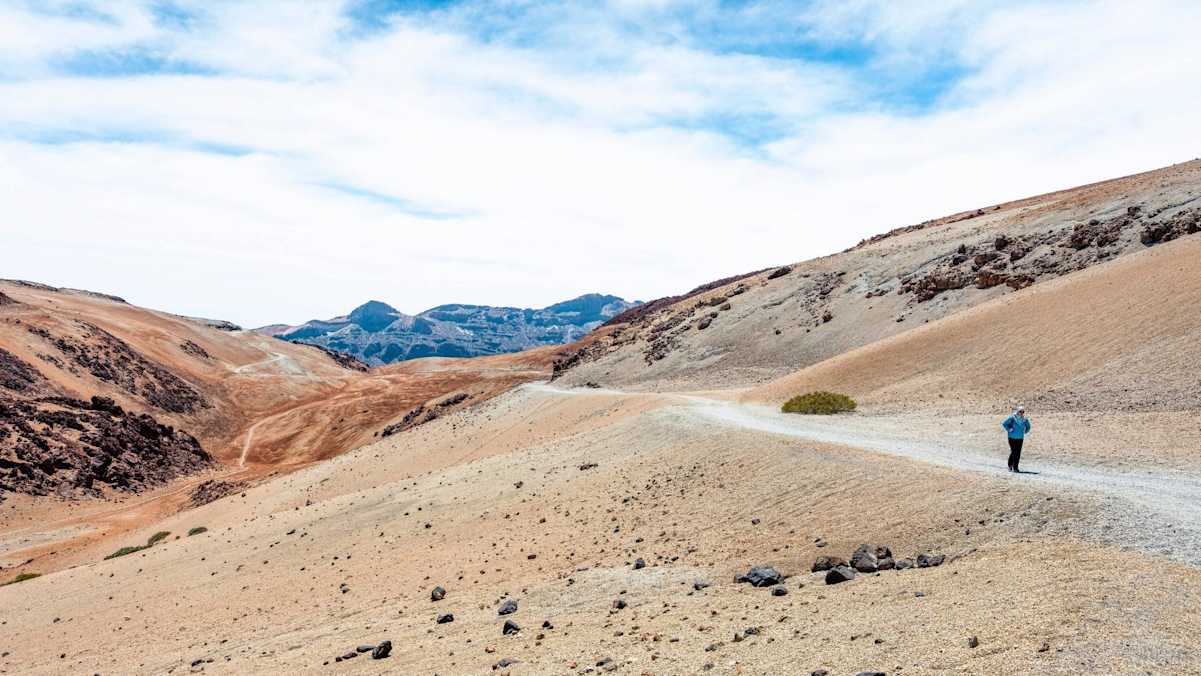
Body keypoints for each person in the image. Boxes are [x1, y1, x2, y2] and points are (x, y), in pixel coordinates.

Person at [1001, 405, 1032, 472]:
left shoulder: (1025, 419)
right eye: (1020, 411)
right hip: (1011, 437)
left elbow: (1028, 427)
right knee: (1014, 451)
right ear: (1017, 411)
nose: (1021, 413)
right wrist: (1009, 429)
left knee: (1018, 453)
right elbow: (1004, 424)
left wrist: (1025, 431)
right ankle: (1010, 465)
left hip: (1020, 438)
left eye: (1023, 412)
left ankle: (1015, 467)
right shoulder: (1012, 418)